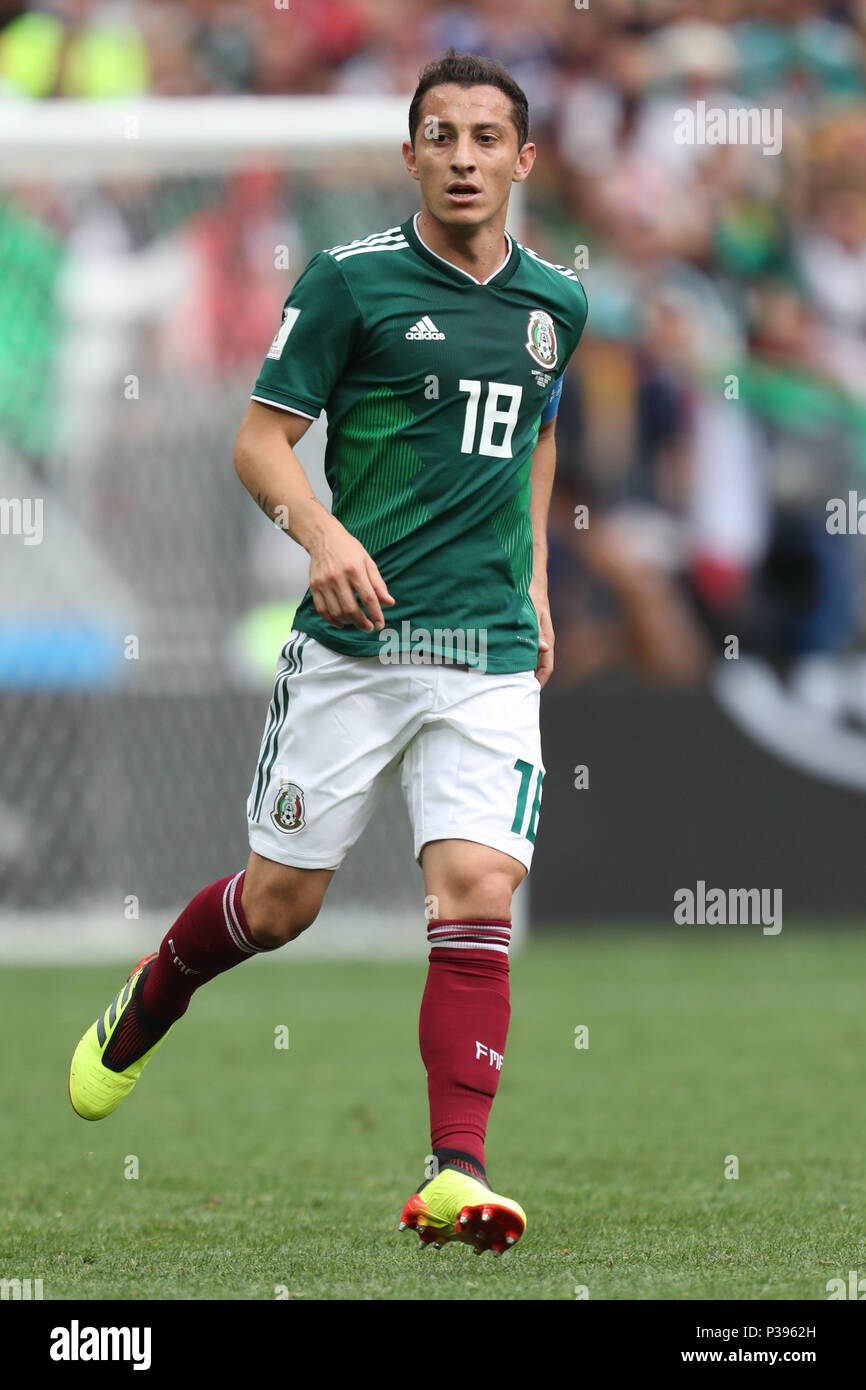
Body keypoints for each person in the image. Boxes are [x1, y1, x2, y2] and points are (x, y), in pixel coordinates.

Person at [69, 48, 588, 1257]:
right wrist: (321, 534)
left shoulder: (556, 305)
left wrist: (539, 580)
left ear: (523, 159)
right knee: (281, 904)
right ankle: (154, 993)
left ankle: (454, 1172)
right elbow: (258, 444)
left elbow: (536, 440)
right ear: (408, 154)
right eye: (439, 135)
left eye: (483, 137)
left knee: (476, 891)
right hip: (355, 648)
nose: (462, 157)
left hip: (488, 649)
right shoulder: (350, 284)